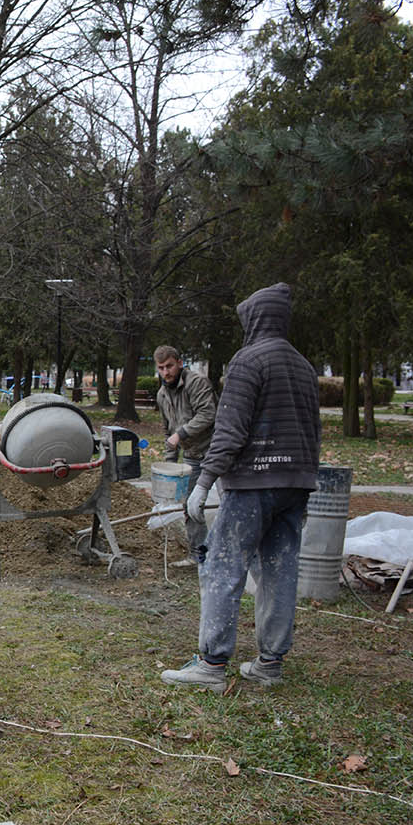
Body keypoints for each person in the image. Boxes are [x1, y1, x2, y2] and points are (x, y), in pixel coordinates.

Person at [162, 283, 321, 693]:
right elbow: (313, 431)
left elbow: (230, 432)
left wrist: (203, 483)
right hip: (296, 483)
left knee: (221, 566)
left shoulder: (248, 360)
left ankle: (211, 665)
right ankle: (270, 663)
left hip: (253, 483)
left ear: (253, 319)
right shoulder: (304, 366)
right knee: (279, 572)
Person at [154, 344, 217, 565]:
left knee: (228, 502)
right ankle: (199, 555)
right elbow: (166, 431)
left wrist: (180, 434)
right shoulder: (162, 394)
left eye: (169, 366)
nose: (165, 372)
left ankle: (230, 554)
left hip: (216, 451)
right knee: (190, 506)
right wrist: (169, 467)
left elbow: (208, 414)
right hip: (192, 455)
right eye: (161, 368)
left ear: (180, 363)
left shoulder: (196, 382)